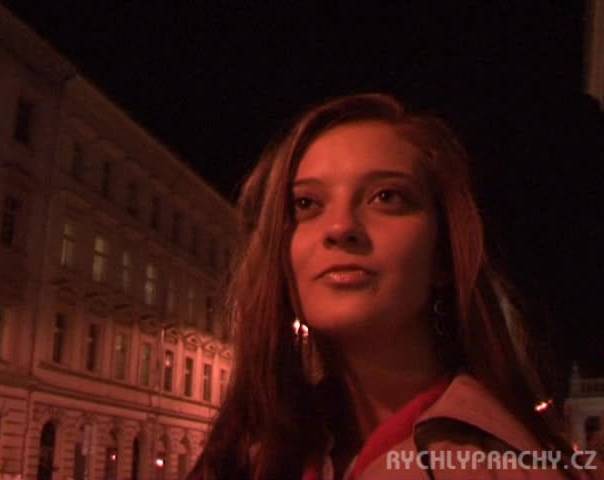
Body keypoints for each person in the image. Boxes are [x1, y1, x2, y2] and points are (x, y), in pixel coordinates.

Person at [187, 93, 600, 480]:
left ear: (442, 255)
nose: (340, 227)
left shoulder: (501, 467)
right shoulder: (248, 455)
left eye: (386, 197)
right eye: (306, 204)